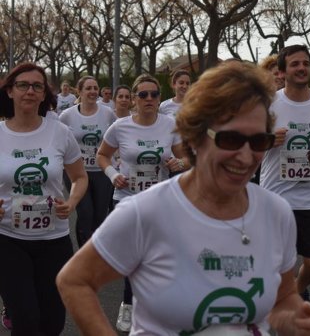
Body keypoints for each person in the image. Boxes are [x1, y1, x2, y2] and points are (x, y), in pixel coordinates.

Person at [57, 60, 310, 335]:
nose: (246, 157)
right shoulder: (147, 211)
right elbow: (75, 280)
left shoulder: (276, 212)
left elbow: (282, 301)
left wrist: (295, 320)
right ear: (195, 137)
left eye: (259, 141)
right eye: (230, 140)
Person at [94, 73, 188, 332]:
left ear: (159, 98)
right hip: (128, 200)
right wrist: (114, 175)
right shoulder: (121, 126)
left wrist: (178, 164)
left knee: (158, 256)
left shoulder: (170, 125)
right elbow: (102, 155)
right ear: (134, 99)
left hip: (161, 201)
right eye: (143, 95)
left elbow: (186, 159)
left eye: (154, 94)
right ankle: (128, 303)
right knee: (133, 257)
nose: (149, 99)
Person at [0, 62, 88, 335]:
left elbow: (79, 177)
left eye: (37, 86)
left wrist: (72, 202)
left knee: (52, 322)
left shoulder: (60, 132)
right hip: (7, 238)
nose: (30, 91)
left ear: (44, 95)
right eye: (23, 85)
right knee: (25, 320)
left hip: (53, 239)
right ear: (10, 92)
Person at [260, 44, 310, 301]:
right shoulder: (270, 104)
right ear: (282, 72)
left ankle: (292, 294)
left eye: (305, 63)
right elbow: (248, 141)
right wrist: (268, 139)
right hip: (276, 195)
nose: (302, 68)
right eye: (295, 64)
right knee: (277, 264)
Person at [59, 76, 116, 248]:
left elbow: (118, 137)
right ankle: (85, 251)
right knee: (85, 213)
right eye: (88, 88)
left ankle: (96, 249)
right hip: (76, 173)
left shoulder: (107, 113)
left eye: (95, 88)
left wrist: (119, 160)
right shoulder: (67, 116)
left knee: (100, 215)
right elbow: (58, 141)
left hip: (101, 171)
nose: (93, 92)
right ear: (80, 91)